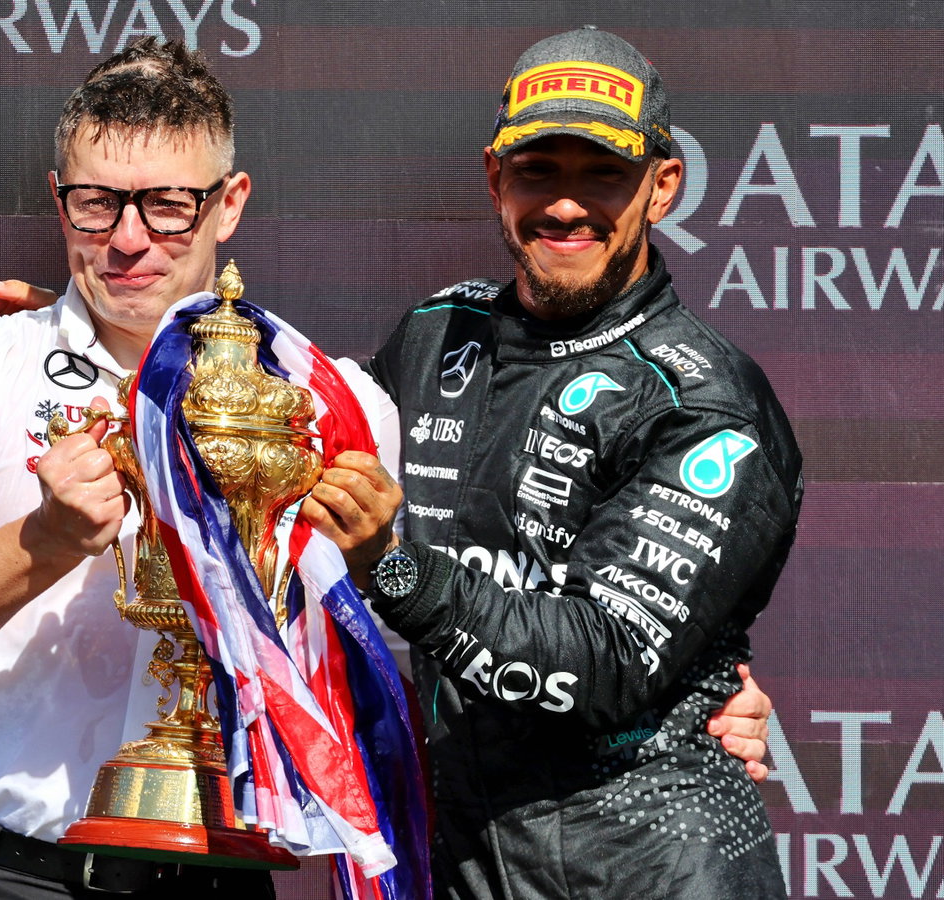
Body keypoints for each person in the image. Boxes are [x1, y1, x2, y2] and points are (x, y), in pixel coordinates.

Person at [0, 36, 774, 900]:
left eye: (168, 205)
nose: (129, 239)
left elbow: (444, 627)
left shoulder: (327, 400)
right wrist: (47, 534)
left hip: (230, 874)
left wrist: (688, 692)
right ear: (60, 201)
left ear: (230, 203)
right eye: (98, 204)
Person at [298, 26, 805, 899]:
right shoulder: (434, 338)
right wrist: (89, 352)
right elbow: (277, 450)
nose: (566, 206)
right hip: (464, 864)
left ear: (662, 186)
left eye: (602, 174)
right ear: (496, 178)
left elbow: (604, 661)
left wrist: (398, 569)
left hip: (652, 871)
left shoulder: (706, 403)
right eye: (539, 171)